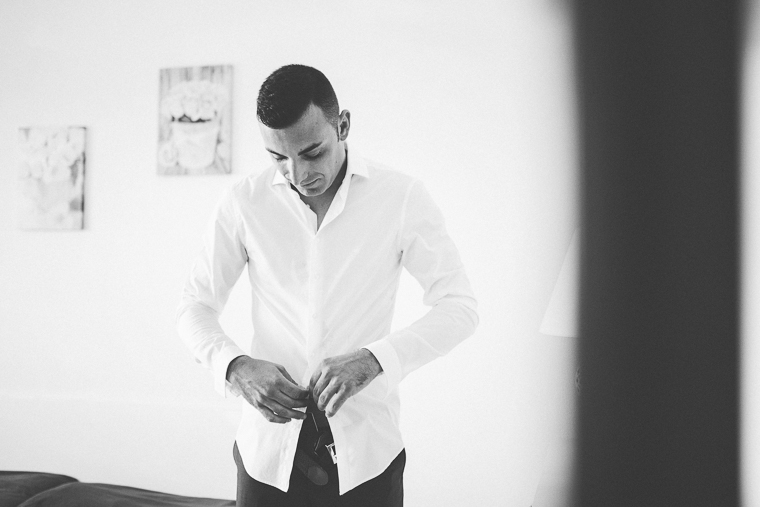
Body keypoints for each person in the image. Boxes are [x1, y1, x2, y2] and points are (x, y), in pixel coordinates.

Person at [176, 64, 478, 507]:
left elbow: (459, 307)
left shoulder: (401, 198)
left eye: (312, 153)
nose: (298, 174)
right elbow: (194, 305)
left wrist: (376, 359)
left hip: (368, 456)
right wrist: (235, 367)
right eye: (278, 158)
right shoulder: (243, 202)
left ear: (343, 126)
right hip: (267, 457)